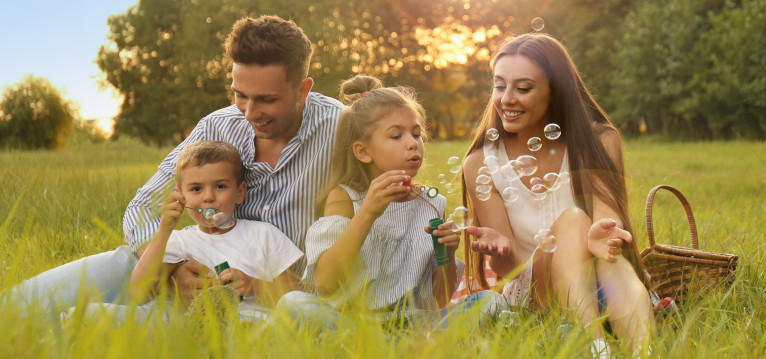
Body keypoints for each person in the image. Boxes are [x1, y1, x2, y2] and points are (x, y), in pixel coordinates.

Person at [6, 15, 343, 316]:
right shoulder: (217, 126)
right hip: (182, 277)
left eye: (267, 100)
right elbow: (144, 206)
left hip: (279, 300)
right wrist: (174, 269)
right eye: (240, 95)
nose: (249, 113)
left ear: (303, 90)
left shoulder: (342, 130)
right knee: (23, 307)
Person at [459, 33, 653, 356]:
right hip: (536, 297)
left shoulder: (598, 140)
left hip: (600, 284)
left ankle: (645, 353)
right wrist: (497, 251)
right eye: (499, 85)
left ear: (555, 92)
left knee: (607, 256)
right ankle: (597, 347)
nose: (507, 98)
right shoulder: (481, 162)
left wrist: (603, 231)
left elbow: (607, 210)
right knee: (575, 220)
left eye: (523, 88)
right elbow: (510, 271)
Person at [299, 75, 502, 328]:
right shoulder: (344, 198)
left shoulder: (431, 203)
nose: (412, 144)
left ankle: (409, 347)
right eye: (396, 136)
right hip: (355, 326)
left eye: (416, 134)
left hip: (415, 324)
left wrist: (446, 254)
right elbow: (325, 284)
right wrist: (368, 212)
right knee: (296, 305)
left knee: (492, 302)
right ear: (363, 151)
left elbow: (441, 299)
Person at [78, 141, 303, 322]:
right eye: (196, 189)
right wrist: (164, 232)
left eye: (220, 186)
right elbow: (139, 293)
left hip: (255, 327)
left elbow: (295, 292)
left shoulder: (263, 234)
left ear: (240, 192)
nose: (208, 197)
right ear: (181, 197)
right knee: (97, 314)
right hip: (192, 329)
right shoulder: (178, 242)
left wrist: (255, 285)